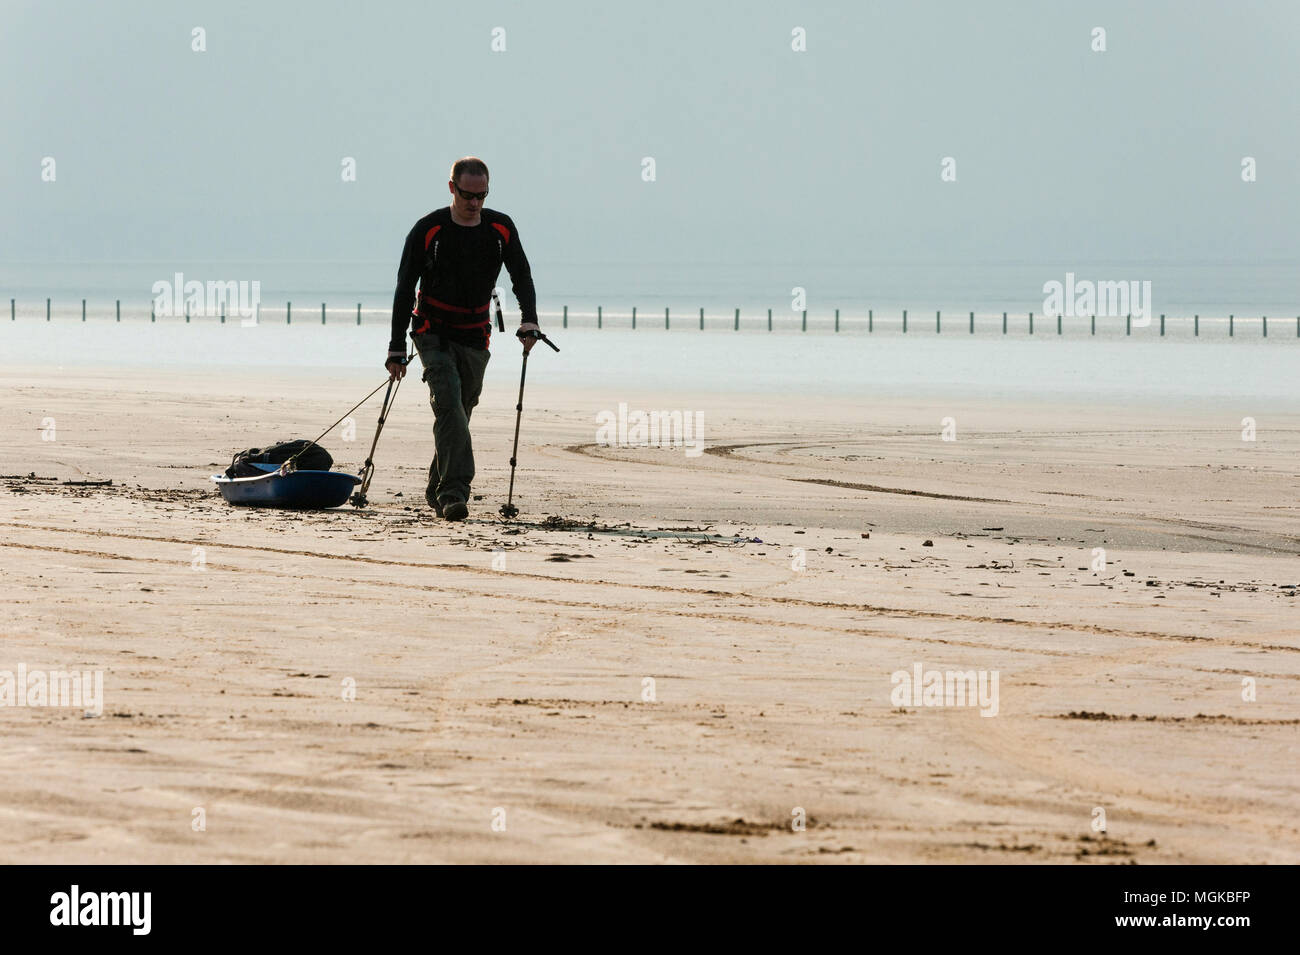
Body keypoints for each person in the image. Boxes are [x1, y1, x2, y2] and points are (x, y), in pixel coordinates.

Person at [385, 157, 541, 521]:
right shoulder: (429, 229)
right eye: (468, 195)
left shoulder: (500, 228)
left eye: (482, 195)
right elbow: (404, 289)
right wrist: (396, 347)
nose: (475, 203)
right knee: (449, 404)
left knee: (462, 409)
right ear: (452, 188)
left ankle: (436, 485)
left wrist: (529, 321)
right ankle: (455, 493)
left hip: (475, 334)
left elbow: (522, 275)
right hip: (432, 332)